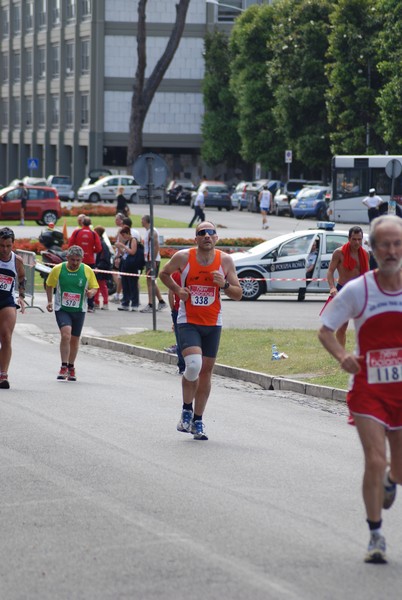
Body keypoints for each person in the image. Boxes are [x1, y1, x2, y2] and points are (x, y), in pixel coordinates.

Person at [318, 215, 402, 564]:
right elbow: (325, 329)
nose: (392, 250)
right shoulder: (359, 290)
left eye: (397, 243)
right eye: (385, 244)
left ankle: (391, 479)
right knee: (374, 458)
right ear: (372, 247)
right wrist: (342, 355)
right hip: (368, 389)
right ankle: (376, 535)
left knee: (397, 468)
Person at [159, 221, 242, 440]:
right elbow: (164, 274)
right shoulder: (184, 257)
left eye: (210, 232)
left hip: (213, 322)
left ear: (216, 238)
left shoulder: (225, 260)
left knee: (205, 372)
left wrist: (223, 285)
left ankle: (198, 420)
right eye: (201, 233)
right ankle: (186, 408)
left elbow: (238, 293)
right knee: (194, 365)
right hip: (188, 320)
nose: (206, 235)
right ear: (195, 239)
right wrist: (178, 290)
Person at [45, 245, 99, 381]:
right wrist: (50, 301)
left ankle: (71, 367)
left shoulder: (87, 270)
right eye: (72, 260)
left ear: (82, 259)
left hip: (79, 310)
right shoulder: (58, 269)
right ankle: (63, 366)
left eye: (78, 260)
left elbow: (95, 287)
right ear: (67, 258)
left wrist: (91, 293)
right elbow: (49, 284)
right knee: (66, 334)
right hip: (62, 308)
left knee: (75, 339)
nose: (75, 263)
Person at [326, 226, 369, 347]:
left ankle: (363, 354)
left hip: (359, 292)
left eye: (359, 239)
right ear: (349, 238)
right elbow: (330, 271)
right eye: (354, 239)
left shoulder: (365, 254)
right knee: (342, 327)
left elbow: (366, 276)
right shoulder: (339, 253)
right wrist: (332, 287)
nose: (357, 242)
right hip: (343, 291)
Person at [0, 227, 26, 389]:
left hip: (7, 300)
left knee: (6, 337)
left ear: (13, 244)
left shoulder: (16, 260)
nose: (4, 249)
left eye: (8, 246)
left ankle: (3, 375)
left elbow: (22, 278)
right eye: (1, 246)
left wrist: (21, 296)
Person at [68, 216, 102, 312]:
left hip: (76, 260)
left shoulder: (77, 232)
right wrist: (91, 251)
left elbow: (70, 245)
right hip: (90, 261)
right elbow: (99, 248)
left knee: (74, 280)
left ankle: (74, 302)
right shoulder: (93, 233)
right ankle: (90, 306)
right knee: (90, 283)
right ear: (90, 224)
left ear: (82, 223)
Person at [140, 214, 168, 312]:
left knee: (150, 282)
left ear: (146, 221)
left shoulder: (152, 232)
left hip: (153, 260)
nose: (141, 222)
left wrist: (152, 261)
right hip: (149, 260)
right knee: (151, 281)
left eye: (142, 220)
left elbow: (156, 246)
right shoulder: (148, 231)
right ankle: (161, 302)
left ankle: (151, 305)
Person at [114, 225, 140, 311]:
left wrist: (123, 246)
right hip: (125, 265)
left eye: (124, 235)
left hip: (132, 266)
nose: (124, 237)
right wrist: (119, 248)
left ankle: (134, 304)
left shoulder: (133, 240)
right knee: (125, 285)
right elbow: (124, 254)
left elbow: (132, 252)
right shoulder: (127, 242)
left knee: (132, 285)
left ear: (128, 233)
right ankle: (125, 302)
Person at [168, 270, 185, 375]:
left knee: (180, 339)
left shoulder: (174, 274)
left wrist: (173, 309)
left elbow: (170, 293)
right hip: (190, 310)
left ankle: (182, 366)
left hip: (178, 310)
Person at [93, 226, 111, 310]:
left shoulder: (102, 244)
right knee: (96, 285)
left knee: (102, 285)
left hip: (101, 267)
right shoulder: (99, 242)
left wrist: (98, 267)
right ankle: (96, 301)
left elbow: (104, 258)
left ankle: (105, 302)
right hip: (98, 266)